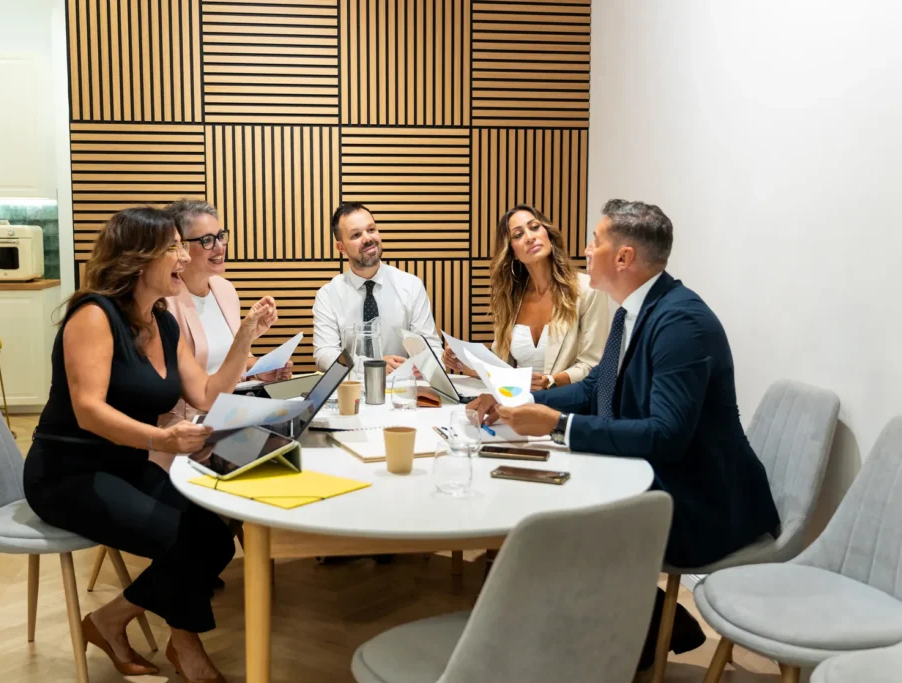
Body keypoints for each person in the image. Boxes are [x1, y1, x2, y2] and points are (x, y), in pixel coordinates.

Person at [469, 199, 780, 674]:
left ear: (623, 257)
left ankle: (624, 638)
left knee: (555, 524)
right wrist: (520, 404)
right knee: (543, 504)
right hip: (663, 481)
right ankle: (630, 631)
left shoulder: (681, 323)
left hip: (702, 501)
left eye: (594, 241)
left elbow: (667, 436)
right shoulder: (633, 312)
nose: (585, 250)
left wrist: (559, 426)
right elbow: (597, 388)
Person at [24, 207, 278, 683]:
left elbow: (206, 395)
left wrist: (245, 337)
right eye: (174, 249)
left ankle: (110, 619)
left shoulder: (162, 322)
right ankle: (186, 645)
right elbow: (88, 410)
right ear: (138, 260)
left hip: (125, 463)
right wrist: (162, 438)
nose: (184, 257)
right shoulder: (93, 316)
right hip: (67, 473)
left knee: (214, 534)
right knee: (183, 540)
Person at [150, 198, 291, 472]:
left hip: (230, 413)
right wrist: (245, 337)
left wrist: (261, 370)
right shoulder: (164, 302)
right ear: (180, 247)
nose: (219, 247)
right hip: (189, 427)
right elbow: (192, 388)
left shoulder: (225, 290)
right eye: (207, 240)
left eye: (220, 236)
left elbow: (236, 360)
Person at [443, 204, 607, 389]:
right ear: (512, 251)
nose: (530, 237)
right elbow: (502, 368)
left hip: (566, 402)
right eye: (518, 235)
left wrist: (551, 381)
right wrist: (464, 364)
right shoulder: (510, 298)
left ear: (548, 235)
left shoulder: (587, 290)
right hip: (518, 400)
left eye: (534, 227)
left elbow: (592, 365)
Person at [312, 202, 443, 373]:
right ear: (341, 247)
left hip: (401, 385)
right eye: (356, 235)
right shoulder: (328, 295)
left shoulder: (411, 286)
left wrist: (426, 363)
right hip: (354, 387)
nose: (368, 239)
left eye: (371, 229)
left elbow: (432, 347)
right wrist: (372, 365)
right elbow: (324, 355)